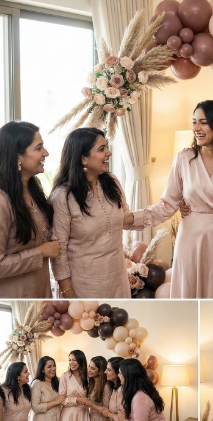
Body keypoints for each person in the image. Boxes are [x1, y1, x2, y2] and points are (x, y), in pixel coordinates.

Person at [131, 100, 213, 298]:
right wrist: (130, 218)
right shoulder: (184, 159)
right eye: (194, 122)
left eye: (203, 122)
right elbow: (166, 206)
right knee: (190, 296)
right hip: (190, 241)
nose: (196, 128)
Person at [50, 127, 144, 298]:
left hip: (118, 282)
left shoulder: (112, 182)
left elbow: (125, 218)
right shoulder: (63, 196)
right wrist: (69, 295)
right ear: (83, 158)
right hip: (84, 287)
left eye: (106, 147)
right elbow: (59, 253)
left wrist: (165, 209)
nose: (109, 153)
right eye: (101, 149)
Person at [0, 121, 60, 298]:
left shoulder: (32, 188)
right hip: (5, 298)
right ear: (17, 156)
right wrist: (42, 252)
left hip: (36, 294)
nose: (46, 153)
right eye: (38, 148)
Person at [58, 350, 91, 421]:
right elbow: (61, 400)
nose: (71, 362)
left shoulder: (87, 377)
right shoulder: (65, 376)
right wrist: (76, 399)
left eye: (74, 360)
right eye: (69, 360)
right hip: (69, 415)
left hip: (83, 414)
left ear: (81, 360)